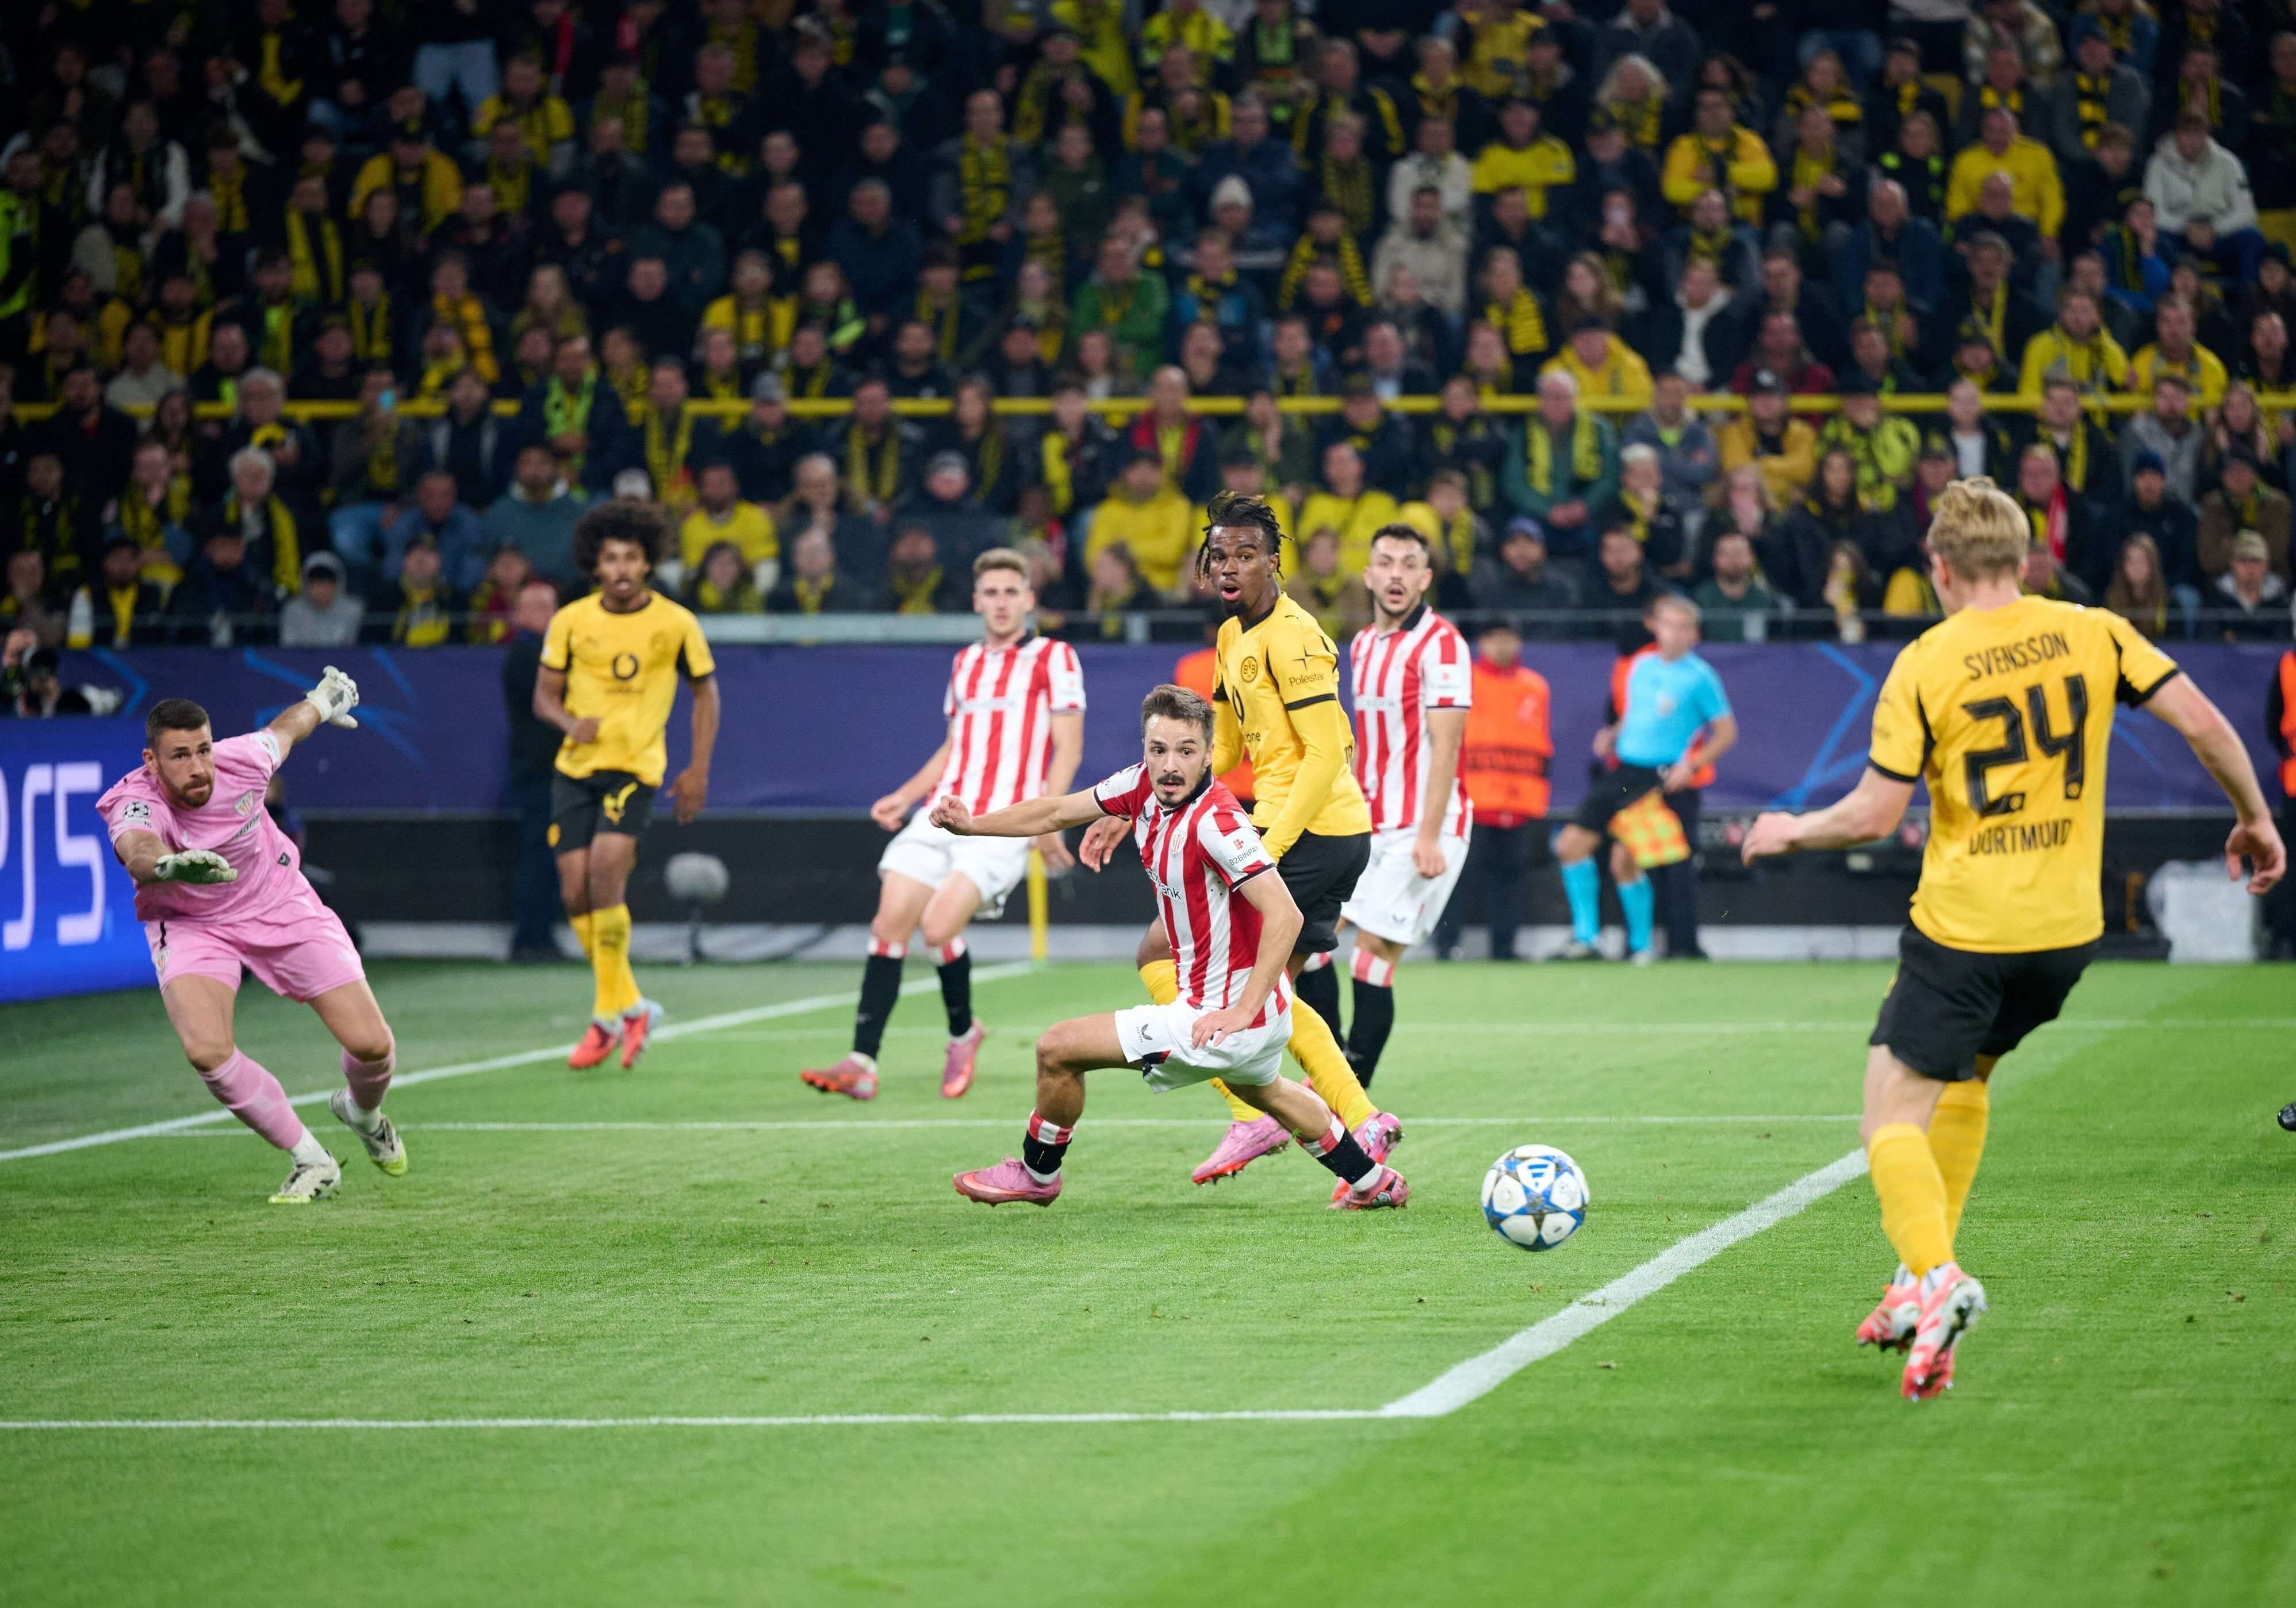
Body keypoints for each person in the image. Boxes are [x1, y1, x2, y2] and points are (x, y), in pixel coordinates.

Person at [1743, 475, 2284, 1401]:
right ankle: (1916, 1285)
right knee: (1972, 1078)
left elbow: (1875, 815)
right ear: (2026, 560)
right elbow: (2201, 721)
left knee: (1887, 1117)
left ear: (1939, 567)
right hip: (2068, 934)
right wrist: (2255, 818)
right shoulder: (2094, 630)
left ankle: (1938, 1275)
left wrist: (1791, 827)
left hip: (1966, 927)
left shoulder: (1928, 659)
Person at [932, 685, 1409, 1212]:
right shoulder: (1139, 786)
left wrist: (1240, 1010)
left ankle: (1036, 1172)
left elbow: (1286, 914)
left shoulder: (1217, 823)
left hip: (1224, 1017)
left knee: (1056, 1048)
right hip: (1251, 1014)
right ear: (1145, 751)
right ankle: (1372, 1181)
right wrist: (973, 824)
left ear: (1209, 754)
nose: (1170, 764)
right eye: (1159, 749)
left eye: (1186, 750)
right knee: (1266, 1090)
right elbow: (1052, 813)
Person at [1076, 492, 1398, 1188]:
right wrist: (1137, 806)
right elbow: (1221, 748)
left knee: (1165, 950)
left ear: (1274, 563)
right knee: (1272, 984)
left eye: (1246, 555)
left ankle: (1270, 1113)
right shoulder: (1232, 637)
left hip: (1315, 827)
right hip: (1296, 828)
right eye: (1220, 554)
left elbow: (1324, 757)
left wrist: (1267, 851)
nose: (1231, 566)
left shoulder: (1294, 635)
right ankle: (1359, 1117)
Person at [95, 676, 407, 1204]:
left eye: (202, 750)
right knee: (206, 1049)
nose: (198, 767)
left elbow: (284, 731)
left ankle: (362, 1112)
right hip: (193, 922)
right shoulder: (133, 801)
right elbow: (137, 848)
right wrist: (170, 865)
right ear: (151, 761)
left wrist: (318, 702)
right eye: (179, 756)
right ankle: (312, 1158)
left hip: (277, 901)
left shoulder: (241, 762)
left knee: (372, 1045)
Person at [801, 550, 1086, 1102]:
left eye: (1011, 592)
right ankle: (862, 1061)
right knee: (888, 926)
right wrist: (903, 796)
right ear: (977, 601)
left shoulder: (1055, 657)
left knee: (936, 928)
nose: (1001, 602)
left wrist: (1051, 819)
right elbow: (954, 746)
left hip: (1001, 822)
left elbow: (1068, 746)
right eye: (991, 593)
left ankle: (962, 1033)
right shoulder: (966, 663)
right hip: (941, 812)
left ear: (1028, 599)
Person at [531, 501, 722, 1071]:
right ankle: (634, 1005)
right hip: (575, 769)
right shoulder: (570, 620)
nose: (621, 568)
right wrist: (570, 723)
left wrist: (698, 769)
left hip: (636, 768)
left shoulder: (676, 622)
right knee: (574, 894)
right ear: (596, 564)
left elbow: (706, 693)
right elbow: (544, 695)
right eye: (611, 557)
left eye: (632, 558)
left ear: (647, 563)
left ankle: (605, 1016)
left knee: (603, 876)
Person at [1316, 525, 1471, 1108]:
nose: (1398, 573)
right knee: (1309, 944)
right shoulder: (1362, 645)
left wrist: (1429, 835)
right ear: (1370, 575)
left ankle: (1350, 1100)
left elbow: (1446, 745)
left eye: (1411, 563)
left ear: (1426, 578)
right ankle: (1330, 1067)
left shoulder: (1442, 644)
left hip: (1426, 825)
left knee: (1372, 954)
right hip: (1373, 825)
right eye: (1387, 561)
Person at [1556, 595, 1738, 963]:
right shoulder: (1639, 665)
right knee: (1570, 845)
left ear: (1694, 635)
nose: (1674, 633)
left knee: (1625, 859)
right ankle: (1586, 940)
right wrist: (1613, 733)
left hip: (1656, 777)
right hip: (1622, 770)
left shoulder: (1700, 677)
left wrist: (1691, 764)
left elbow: (1727, 733)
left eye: (1683, 626)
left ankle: (1641, 947)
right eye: (1668, 624)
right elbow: (1637, 716)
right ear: (1654, 626)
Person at [501, 579, 566, 964]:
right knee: (537, 853)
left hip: (552, 771)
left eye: (551, 606)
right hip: (537, 771)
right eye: (537, 607)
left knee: (549, 853)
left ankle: (541, 934)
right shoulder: (525, 657)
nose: (547, 614)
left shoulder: (545, 652)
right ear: (519, 614)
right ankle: (529, 937)